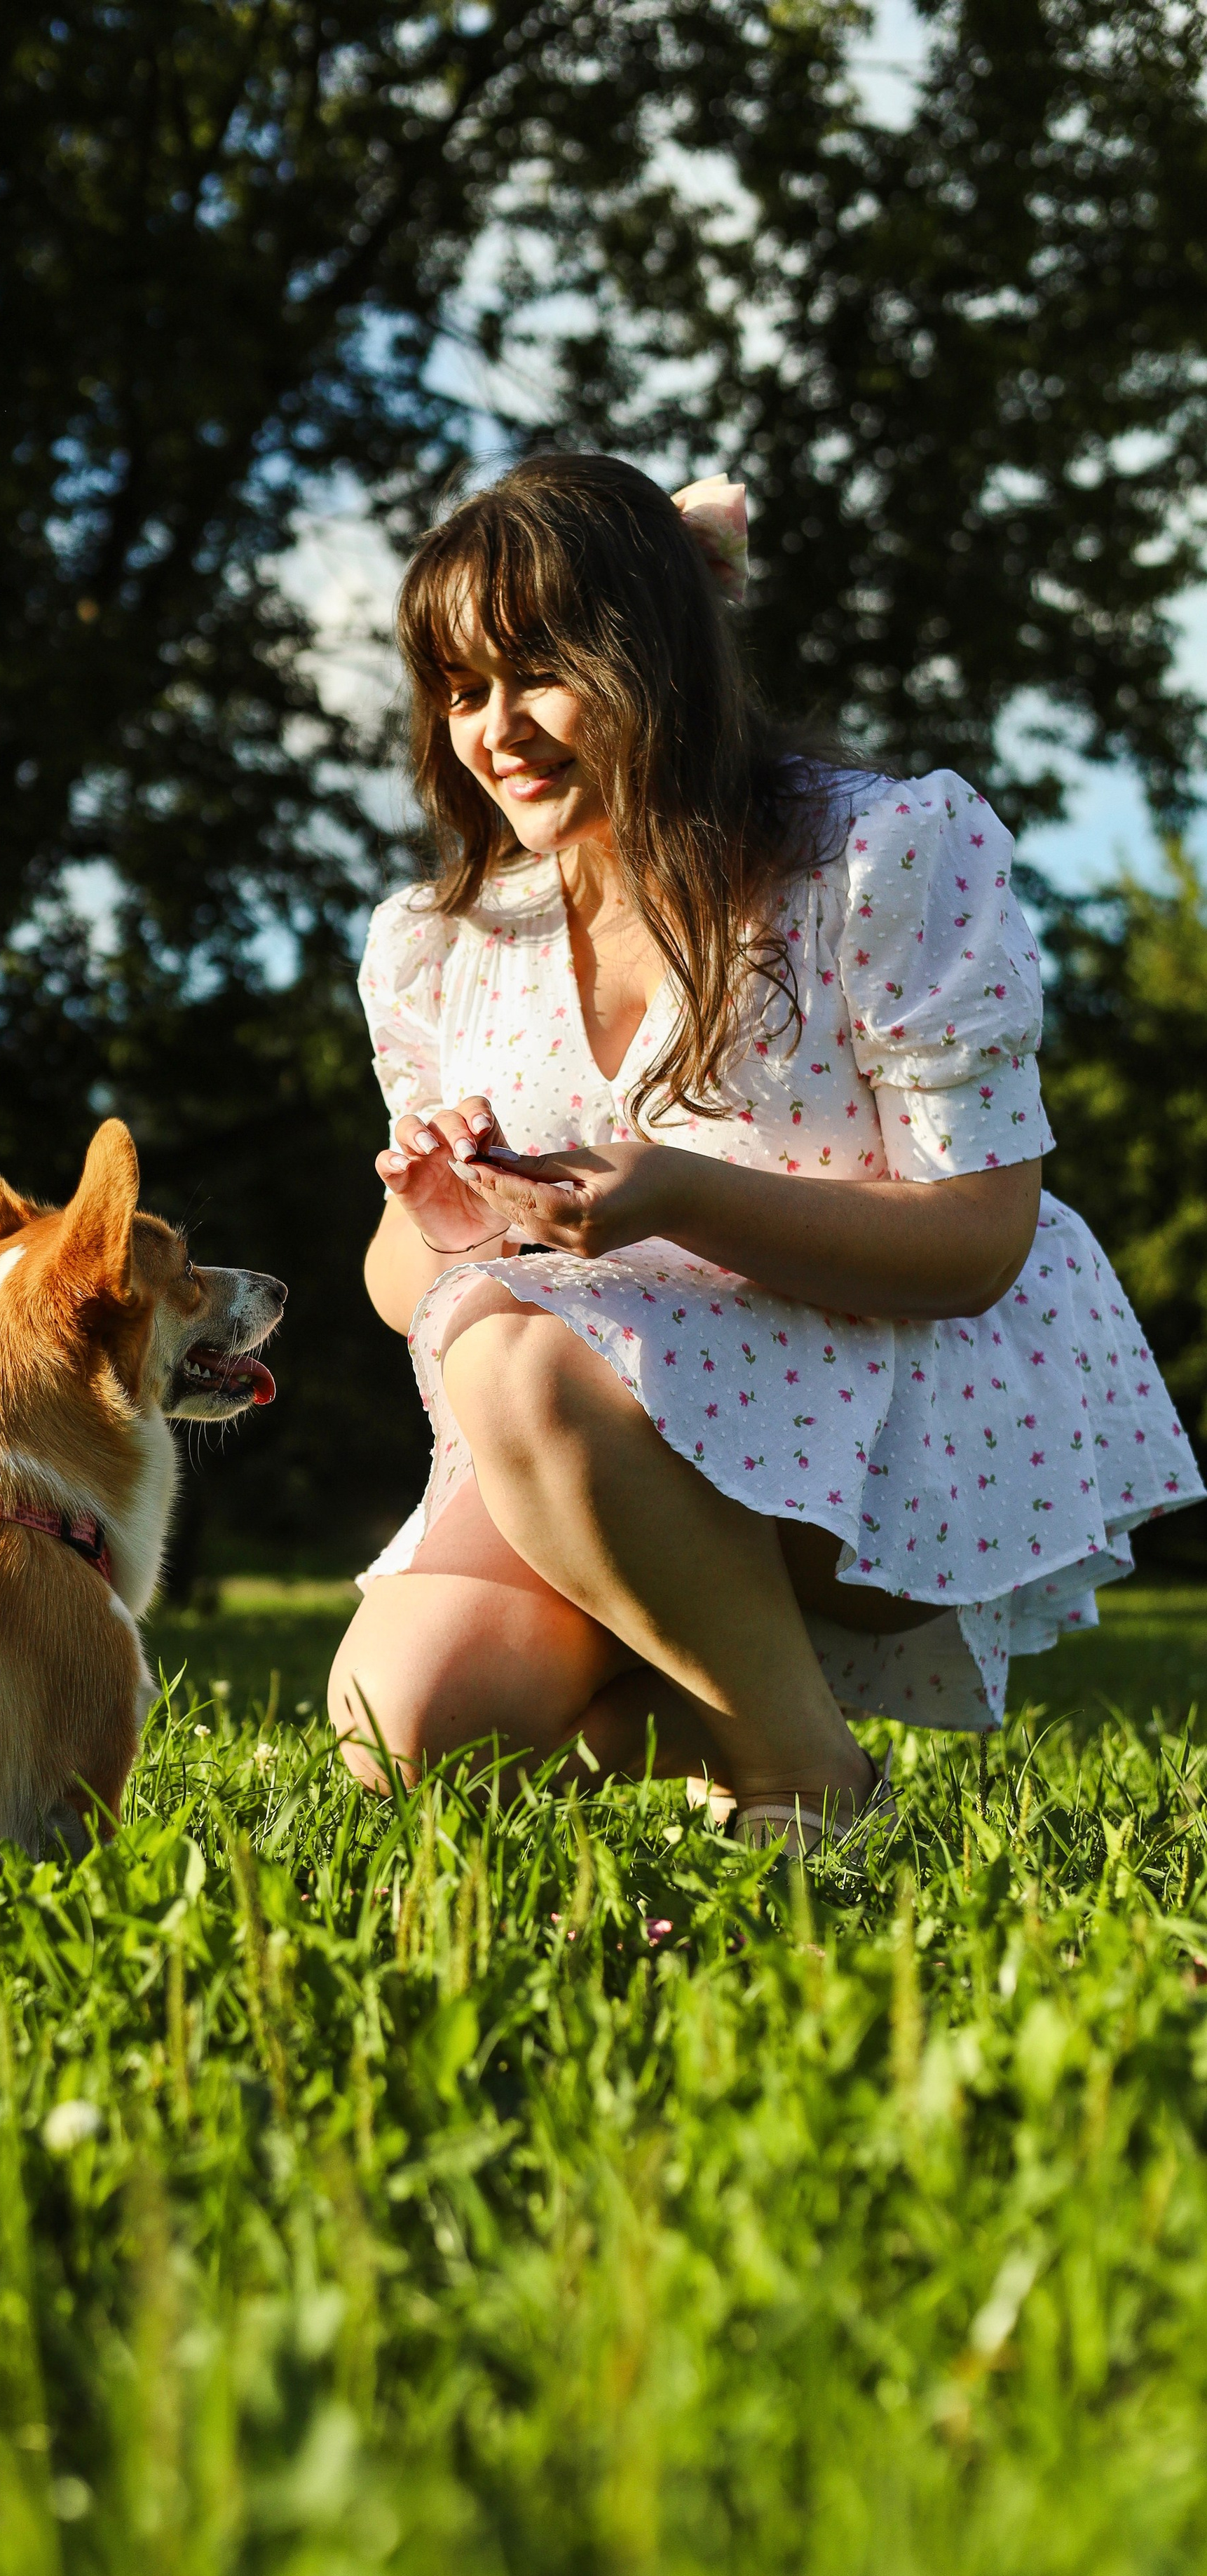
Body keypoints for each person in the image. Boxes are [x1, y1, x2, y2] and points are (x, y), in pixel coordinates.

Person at [327, 454, 1202, 1843]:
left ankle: (800, 1784)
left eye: (536, 668)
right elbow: (400, 1287)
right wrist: (445, 1210)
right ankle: (729, 1685)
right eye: (460, 685)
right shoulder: (444, 946)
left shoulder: (875, 854)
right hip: (592, 1421)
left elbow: (977, 1242)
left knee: (514, 1350)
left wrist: (675, 1194)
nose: (493, 728)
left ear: (656, 652)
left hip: (894, 1397)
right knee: (404, 1737)